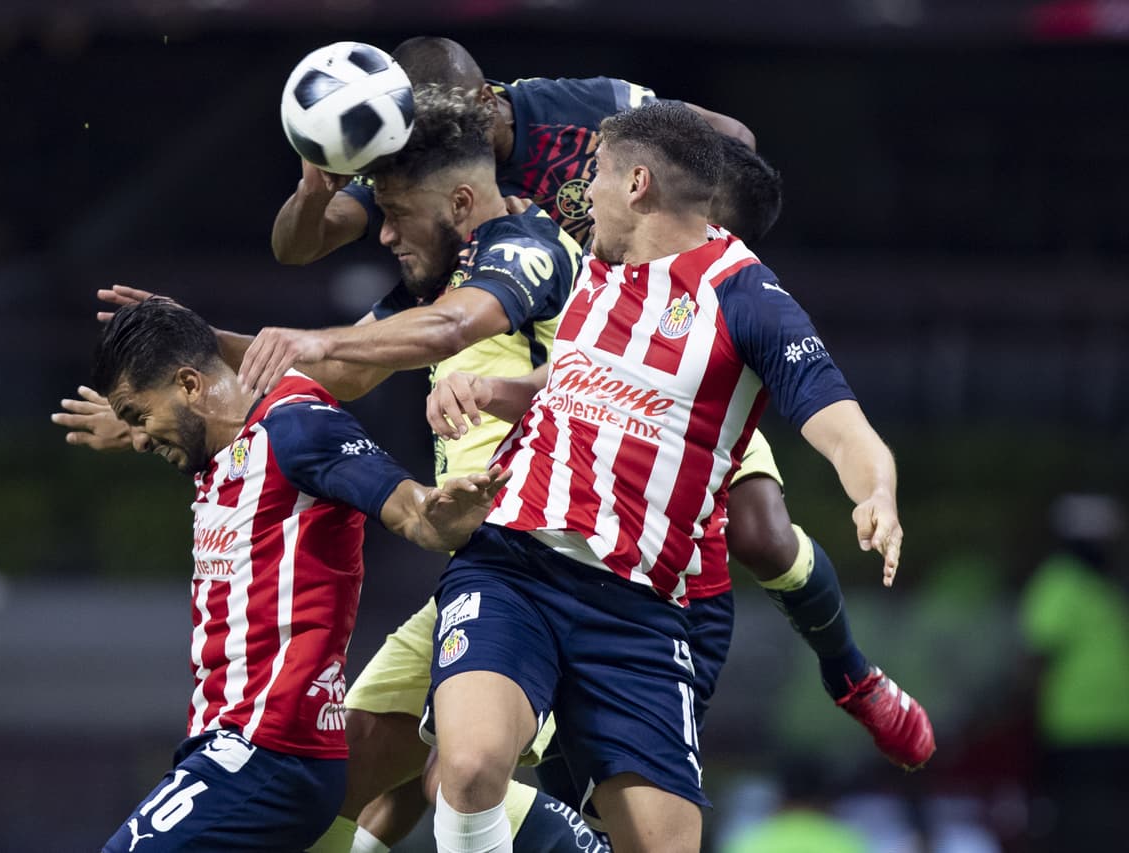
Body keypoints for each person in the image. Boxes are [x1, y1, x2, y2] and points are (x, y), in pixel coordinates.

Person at [56, 89, 610, 853]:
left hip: (545, 560)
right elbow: (331, 354)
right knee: (372, 777)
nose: (380, 231)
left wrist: (435, 509)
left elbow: (409, 352)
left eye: (391, 209)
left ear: (451, 194)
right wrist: (174, 364)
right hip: (464, 569)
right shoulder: (256, 420)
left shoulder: (523, 248)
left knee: (460, 769)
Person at [409, 101, 908, 853]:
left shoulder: (749, 299)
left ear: (638, 184)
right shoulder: (593, 271)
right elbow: (573, 379)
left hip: (640, 610)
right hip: (515, 563)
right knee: (471, 763)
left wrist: (877, 490)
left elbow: (843, 423)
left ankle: (852, 671)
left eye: (597, 179)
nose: (584, 195)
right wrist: (489, 391)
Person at [84, 298, 511, 852]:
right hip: (225, 744)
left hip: (269, 749)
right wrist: (131, 422)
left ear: (190, 386)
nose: (141, 440)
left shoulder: (298, 427)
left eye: (140, 417)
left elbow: (414, 515)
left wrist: (440, 511)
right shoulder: (220, 449)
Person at [269, 35, 753, 268]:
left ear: (486, 99)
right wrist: (313, 192)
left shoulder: (585, 107)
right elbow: (296, 250)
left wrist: (681, 253)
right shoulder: (410, 150)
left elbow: (733, 137)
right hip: (509, 349)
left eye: (454, 122)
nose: (444, 138)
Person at [1019, 493, 1129, 850]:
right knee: (1082, 822)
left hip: (1113, 726)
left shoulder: (1103, 586)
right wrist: (1027, 716)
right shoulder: (1060, 582)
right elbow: (1038, 654)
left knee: (1109, 821)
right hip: (1075, 729)